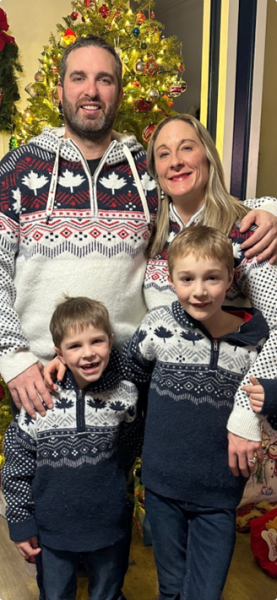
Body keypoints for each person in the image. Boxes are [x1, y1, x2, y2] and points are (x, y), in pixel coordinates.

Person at [0, 37, 277, 420]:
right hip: (44, 377)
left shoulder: (146, 176)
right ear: (59, 89)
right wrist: (12, 358)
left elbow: (200, 212)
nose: (91, 91)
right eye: (79, 78)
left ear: (120, 92)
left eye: (105, 79)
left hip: (132, 379)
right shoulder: (19, 168)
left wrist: (268, 208)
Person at [122, 225, 277, 600]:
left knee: (204, 593)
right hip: (162, 488)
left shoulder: (256, 343)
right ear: (171, 279)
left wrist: (270, 399)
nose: (200, 290)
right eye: (187, 278)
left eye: (212, 278)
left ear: (230, 278)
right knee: (171, 586)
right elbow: (130, 379)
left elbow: (270, 413)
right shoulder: (157, 326)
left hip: (219, 495)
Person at [143, 113, 277, 475]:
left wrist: (247, 414)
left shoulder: (247, 229)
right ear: (155, 170)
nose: (177, 161)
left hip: (226, 422)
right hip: (166, 424)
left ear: (207, 156)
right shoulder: (153, 233)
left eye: (187, 147)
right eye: (164, 154)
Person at [2, 296, 137, 600]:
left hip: (109, 524)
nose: (88, 353)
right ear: (59, 354)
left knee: (108, 592)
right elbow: (16, 467)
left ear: (111, 342)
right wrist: (21, 523)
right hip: (53, 530)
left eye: (97, 341)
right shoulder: (38, 402)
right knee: (55, 593)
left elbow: (129, 445)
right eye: (75, 346)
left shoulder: (126, 395)